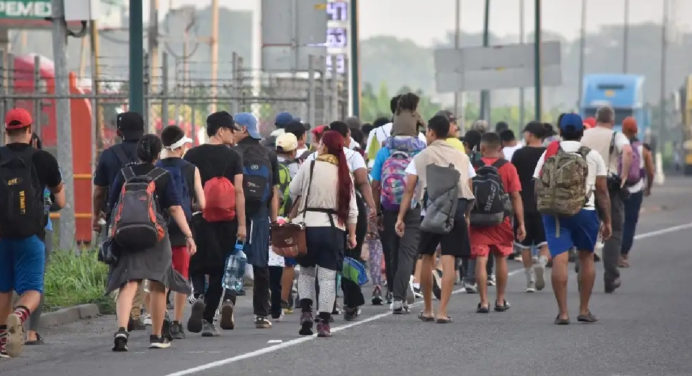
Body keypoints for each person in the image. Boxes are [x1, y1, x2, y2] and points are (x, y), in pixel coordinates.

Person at [106, 134, 196, 351]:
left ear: (138, 152)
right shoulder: (162, 175)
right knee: (158, 283)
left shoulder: (124, 173)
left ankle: (121, 331)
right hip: (156, 235)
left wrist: (111, 234)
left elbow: (112, 205)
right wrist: (188, 235)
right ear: (158, 154)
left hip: (126, 234)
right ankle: (156, 336)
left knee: (129, 282)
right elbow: (175, 208)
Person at [533, 113, 612, 324]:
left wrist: (543, 209)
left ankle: (563, 312)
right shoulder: (593, 155)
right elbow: (602, 191)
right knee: (586, 257)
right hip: (585, 211)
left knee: (560, 256)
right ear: (582, 132)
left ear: (560, 131)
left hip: (555, 213)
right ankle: (584, 310)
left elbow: (537, 185)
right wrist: (608, 220)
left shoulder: (549, 153)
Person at [395, 115, 475, 323]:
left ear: (431, 132)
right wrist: (467, 215)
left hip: (429, 214)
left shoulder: (421, 157)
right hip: (455, 211)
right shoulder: (461, 157)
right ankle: (443, 312)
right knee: (449, 261)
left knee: (426, 258)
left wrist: (401, 217)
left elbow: (409, 189)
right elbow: (469, 186)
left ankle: (428, 309)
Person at [0, 108, 65, 358]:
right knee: (32, 290)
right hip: (31, 234)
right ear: (29, 131)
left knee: (3, 289)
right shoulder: (43, 159)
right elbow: (60, 198)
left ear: (6, 131)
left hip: (2, 235)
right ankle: (19, 315)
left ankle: (3, 343)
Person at [306, 121, 377, 320]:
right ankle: (351, 302)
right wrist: (372, 207)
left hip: (322, 214)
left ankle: (324, 304)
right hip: (351, 211)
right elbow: (363, 183)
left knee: (324, 260)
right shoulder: (353, 156)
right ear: (345, 137)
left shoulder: (314, 157)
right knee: (351, 257)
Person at [290, 130, 358, 337]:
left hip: (307, 226)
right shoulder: (344, 173)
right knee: (328, 278)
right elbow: (353, 210)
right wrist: (352, 235)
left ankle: (306, 312)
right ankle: (324, 322)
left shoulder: (309, 165)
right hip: (332, 229)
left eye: (320, 144)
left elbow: (293, 190)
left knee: (307, 272)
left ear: (325, 147)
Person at [184, 111, 246, 337]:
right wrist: (242, 225)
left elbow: (186, 188)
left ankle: (198, 295)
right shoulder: (233, 157)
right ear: (221, 130)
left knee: (197, 264)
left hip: (199, 218)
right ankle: (209, 319)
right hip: (227, 221)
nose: (234, 134)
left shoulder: (192, 154)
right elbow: (238, 191)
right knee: (219, 270)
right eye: (231, 130)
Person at [371, 94, 427, 314]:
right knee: (407, 253)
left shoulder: (385, 151)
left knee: (391, 251)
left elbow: (375, 184)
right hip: (413, 207)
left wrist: (376, 211)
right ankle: (399, 298)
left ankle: (394, 293)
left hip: (388, 207)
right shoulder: (421, 150)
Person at [92, 111, 148, 331]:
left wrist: (96, 216)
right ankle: (135, 311)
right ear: (143, 130)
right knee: (141, 263)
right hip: (146, 217)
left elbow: (99, 191)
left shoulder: (108, 155)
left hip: (117, 216)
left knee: (117, 262)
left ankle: (122, 311)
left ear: (118, 132)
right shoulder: (149, 152)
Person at [156, 126, 206, 339]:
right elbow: (202, 203)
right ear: (180, 146)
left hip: (157, 227)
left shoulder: (154, 167)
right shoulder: (191, 169)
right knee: (181, 275)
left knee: (159, 277)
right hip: (182, 227)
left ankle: (161, 317)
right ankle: (177, 322)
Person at [234, 112, 281, 329]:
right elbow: (274, 192)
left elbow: (233, 190)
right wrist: (274, 221)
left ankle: (226, 302)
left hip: (236, 214)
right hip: (261, 214)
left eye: (234, 128)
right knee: (261, 263)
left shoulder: (233, 153)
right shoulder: (269, 154)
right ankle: (261, 314)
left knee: (232, 260)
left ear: (243, 129)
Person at [470, 132, 525, 314]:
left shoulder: (473, 166)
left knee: (481, 258)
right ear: (500, 148)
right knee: (501, 257)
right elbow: (516, 196)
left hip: (477, 220)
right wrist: (521, 223)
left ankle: (483, 301)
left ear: (482, 148)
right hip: (501, 219)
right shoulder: (508, 168)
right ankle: (500, 300)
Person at [581, 106, 633, 293]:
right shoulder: (616, 135)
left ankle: (582, 270)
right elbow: (627, 152)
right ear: (612, 121)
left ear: (595, 119)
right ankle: (611, 276)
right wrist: (624, 176)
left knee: (585, 227)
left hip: (584, 186)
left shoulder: (584, 134)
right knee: (614, 230)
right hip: (609, 187)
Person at [24, 133, 56, 346]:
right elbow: (59, 200)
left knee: (7, 283)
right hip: (41, 229)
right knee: (36, 281)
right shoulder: (45, 164)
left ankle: (5, 332)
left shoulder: (5, 162)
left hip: (7, 230)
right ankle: (31, 332)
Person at [511, 122, 550, 293]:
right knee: (546, 242)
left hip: (522, 204)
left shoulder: (519, 154)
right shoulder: (548, 153)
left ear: (531, 135)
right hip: (544, 204)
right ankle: (541, 262)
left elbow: (514, 179)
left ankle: (530, 281)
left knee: (525, 245)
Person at [271, 132, 301, 319]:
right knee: (288, 261)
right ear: (294, 150)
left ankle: (271, 296)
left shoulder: (270, 163)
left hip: (268, 216)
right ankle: (283, 300)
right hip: (287, 217)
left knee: (270, 259)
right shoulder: (297, 168)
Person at [619, 116, 654, 267]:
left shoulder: (618, 146)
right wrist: (649, 187)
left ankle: (613, 251)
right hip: (636, 188)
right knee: (630, 222)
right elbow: (651, 171)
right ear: (636, 130)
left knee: (616, 221)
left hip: (619, 188)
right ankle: (624, 254)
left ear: (622, 129)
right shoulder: (644, 149)